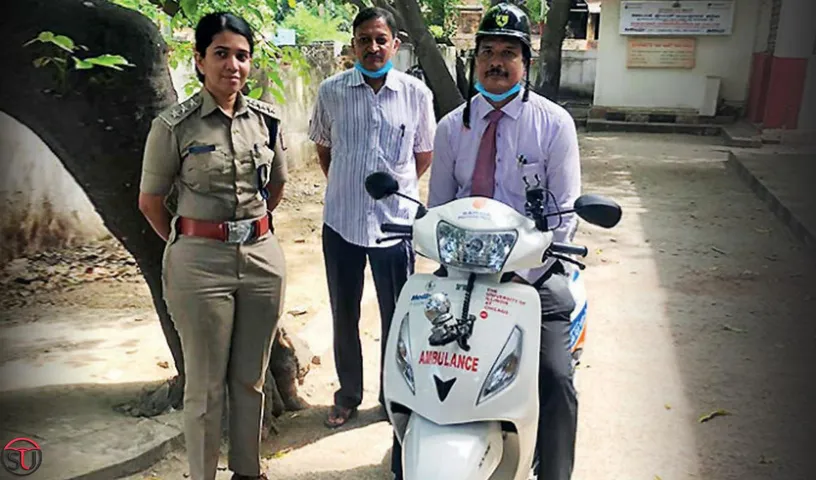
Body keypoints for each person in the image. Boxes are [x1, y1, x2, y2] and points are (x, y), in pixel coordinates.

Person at [407, 3, 582, 480]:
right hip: (460, 275)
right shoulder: (450, 128)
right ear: (475, 59)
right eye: (487, 51)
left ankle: (554, 473)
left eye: (509, 52)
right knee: (411, 364)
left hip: (530, 277)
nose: (496, 62)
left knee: (555, 377)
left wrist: (525, 265)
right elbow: (438, 206)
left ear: (526, 61)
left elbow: (566, 214)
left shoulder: (554, 124)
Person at [138, 11, 287, 480]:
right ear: (199, 60)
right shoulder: (173, 126)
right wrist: (191, 242)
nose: (233, 66)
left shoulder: (266, 121)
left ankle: (248, 470)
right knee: (205, 386)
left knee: (250, 380)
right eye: (221, 54)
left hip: (261, 258)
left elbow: (275, 189)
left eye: (241, 55)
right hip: (199, 264)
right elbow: (150, 202)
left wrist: (249, 233)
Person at [308, 7, 436, 429]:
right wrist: (349, 185)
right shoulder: (331, 91)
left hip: (395, 224)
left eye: (381, 40)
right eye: (365, 39)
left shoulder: (416, 95)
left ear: (395, 45)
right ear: (353, 45)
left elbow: (423, 154)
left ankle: (392, 395)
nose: (373, 47)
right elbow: (325, 149)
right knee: (344, 312)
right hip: (342, 221)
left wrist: (393, 192)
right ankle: (348, 394)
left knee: (396, 315)